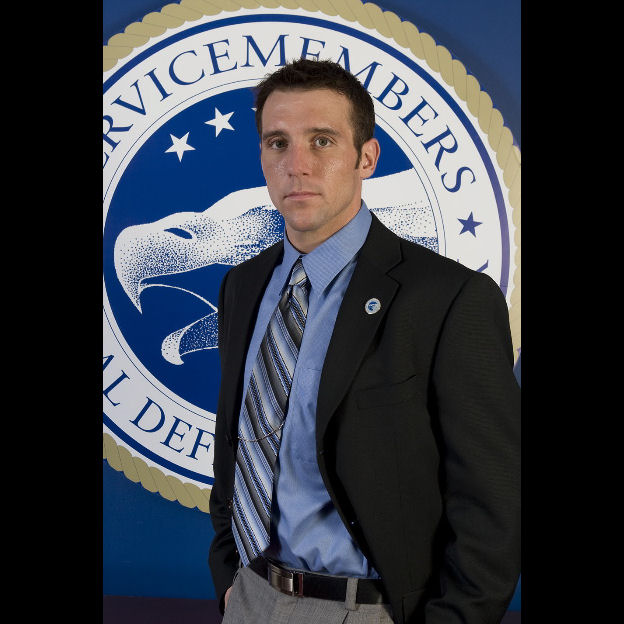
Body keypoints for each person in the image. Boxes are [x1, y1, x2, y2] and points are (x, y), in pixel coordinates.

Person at [208, 59, 520, 624]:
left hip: (369, 610)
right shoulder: (242, 286)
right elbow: (236, 447)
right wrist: (231, 577)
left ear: (366, 158)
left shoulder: (448, 298)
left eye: (322, 141)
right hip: (251, 597)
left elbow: (493, 502)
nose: (297, 165)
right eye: (278, 143)